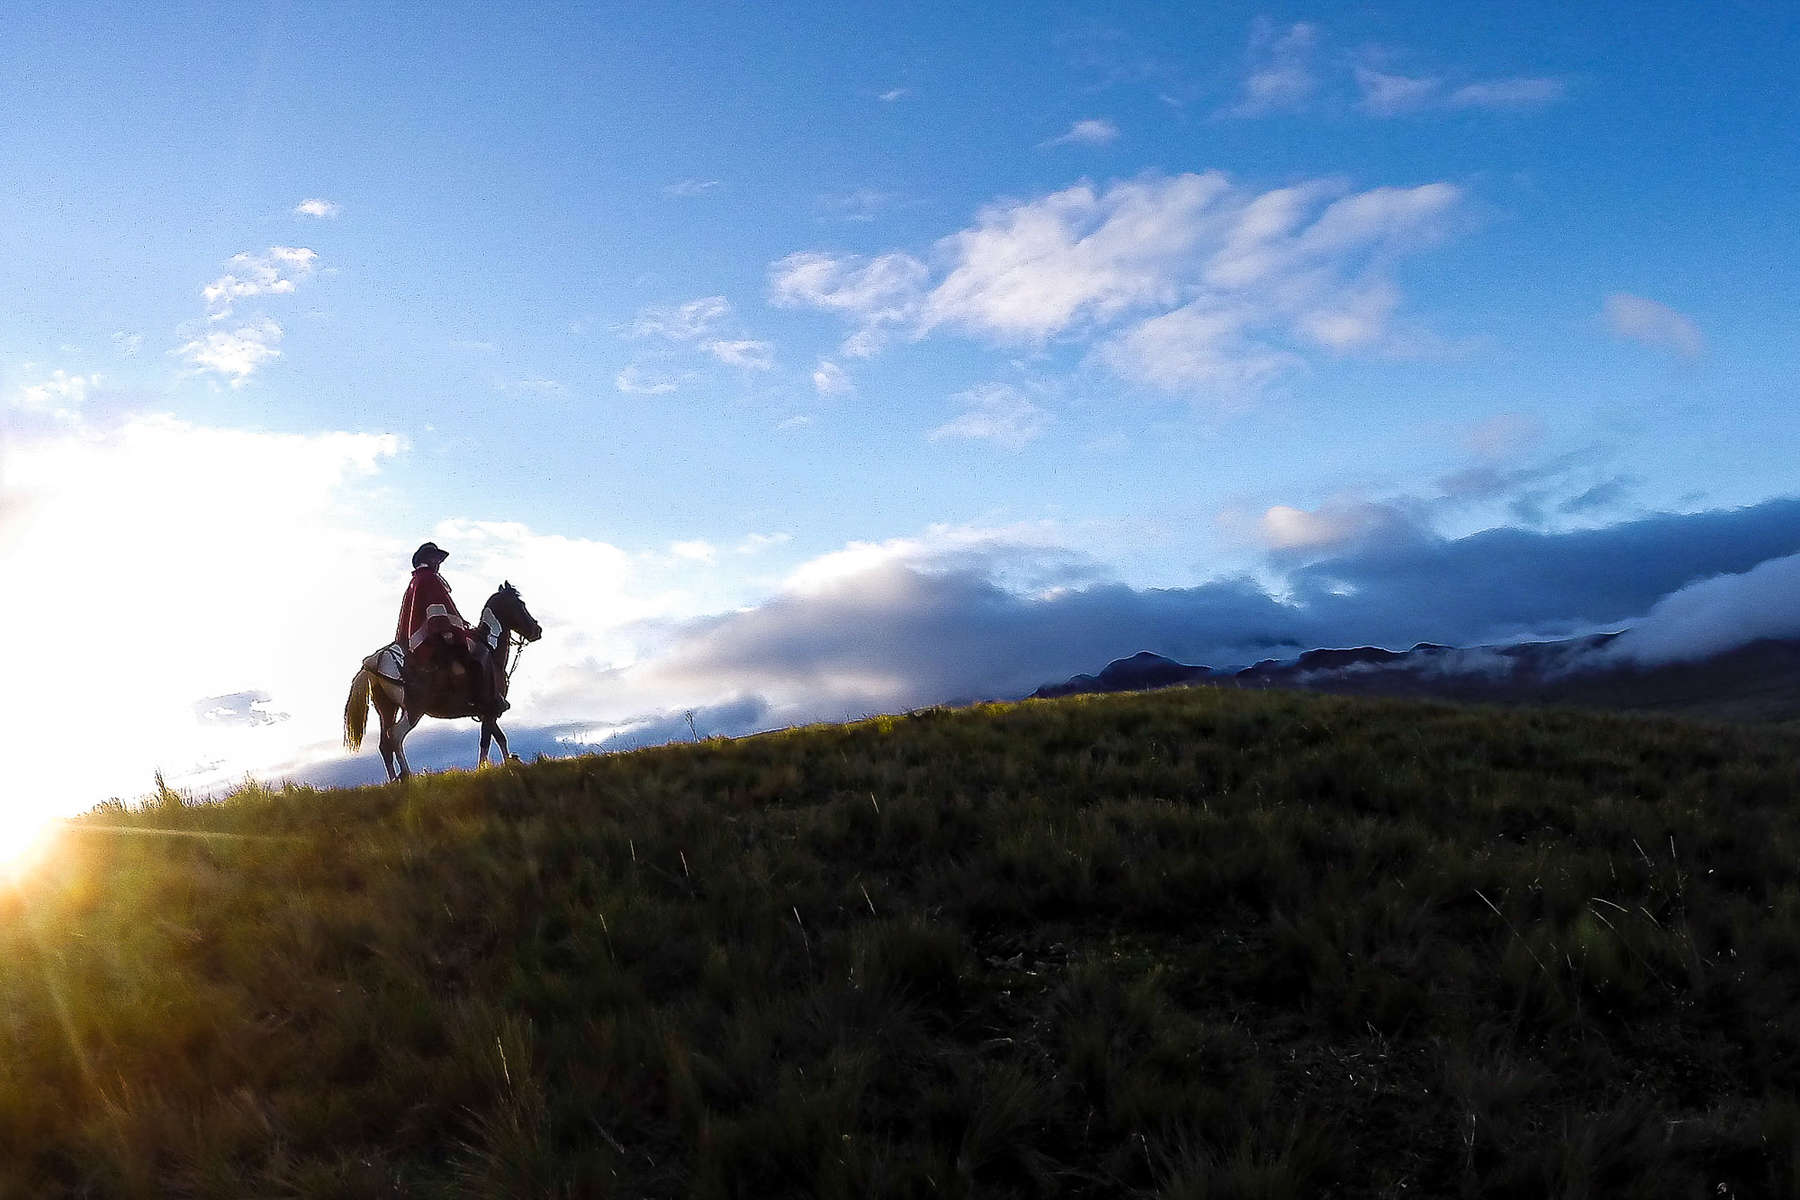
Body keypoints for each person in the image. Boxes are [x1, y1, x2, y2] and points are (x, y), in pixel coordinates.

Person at [395, 541, 506, 714]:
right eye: (435, 559)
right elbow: (437, 611)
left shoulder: (418, 579)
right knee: (476, 659)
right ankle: (479, 702)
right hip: (435, 637)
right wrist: (447, 632)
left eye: (438, 560)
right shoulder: (429, 579)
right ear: (426, 559)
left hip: (424, 637)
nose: (438, 563)